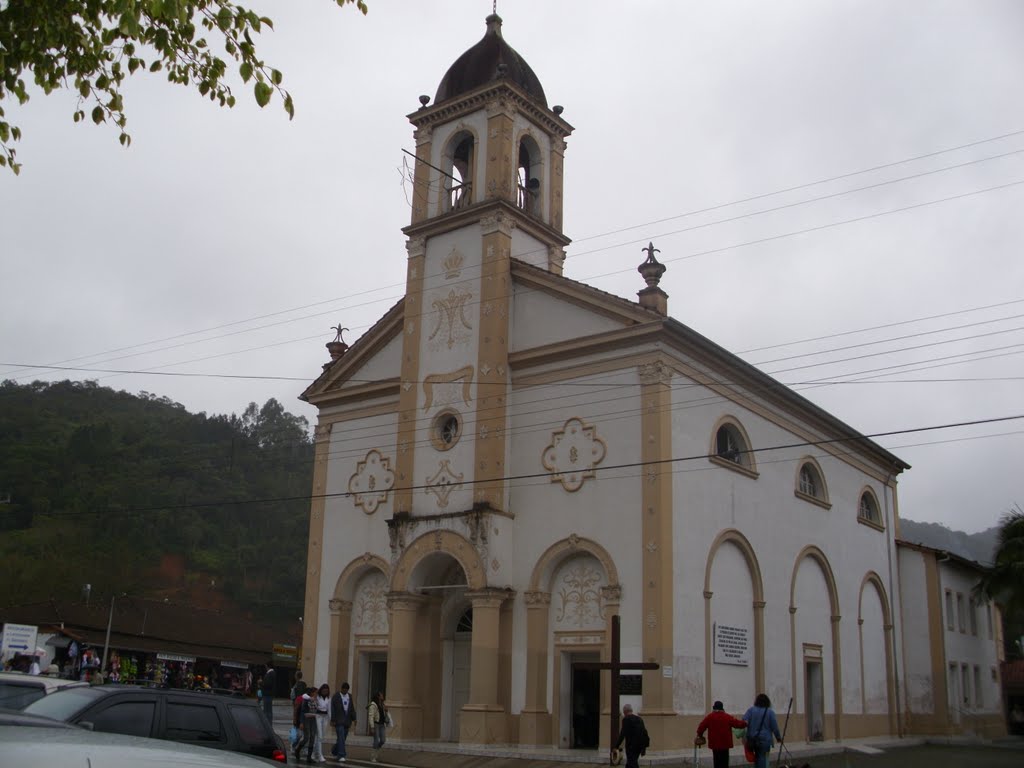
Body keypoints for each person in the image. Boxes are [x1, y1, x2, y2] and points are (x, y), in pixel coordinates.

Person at [696, 700, 747, 768]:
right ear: (722, 708)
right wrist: (746, 723)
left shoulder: (710, 717)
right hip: (725, 744)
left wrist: (700, 735)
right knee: (724, 762)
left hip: (714, 744)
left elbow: (701, 727)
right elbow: (738, 724)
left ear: (714, 708)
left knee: (716, 761)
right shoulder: (727, 717)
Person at [743, 693, 783, 768]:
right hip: (765, 740)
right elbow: (774, 727)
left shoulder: (751, 710)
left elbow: (744, 721)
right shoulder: (770, 712)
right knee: (762, 758)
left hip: (753, 739)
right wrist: (778, 738)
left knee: (757, 758)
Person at [613, 703, 649, 768]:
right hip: (639, 746)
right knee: (631, 762)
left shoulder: (626, 719)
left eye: (623, 712)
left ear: (625, 711)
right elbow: (644, 733)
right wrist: (644, 748)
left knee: (632, 763)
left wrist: (616, 746)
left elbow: (622, 734)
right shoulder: (639, 719)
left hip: (631, 746)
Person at [330, 682, 356, 762]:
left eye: (347, 690)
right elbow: (332, 709)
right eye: (344, 689)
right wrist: (333, 719)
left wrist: (354, 718)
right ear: (341, 689)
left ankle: (334, 750)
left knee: (342, 739)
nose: (345, 691)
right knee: (341, 737)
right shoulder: (336, 696)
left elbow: (352, 708)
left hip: (347, 721)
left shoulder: (350, 696)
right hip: (338, 721)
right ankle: (341, 754)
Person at [311, 683, 331, 764]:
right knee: (319, 735)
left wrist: (331, 719)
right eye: (324, 690)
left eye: (326, 691)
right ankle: (320, 755)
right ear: (321, 690)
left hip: (325, 717)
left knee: (321, 737)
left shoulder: (329, 698)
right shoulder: (317, 697)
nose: (325, 692)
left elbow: (329, 710)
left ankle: (313, 753)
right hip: (318, 717)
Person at [368, 690, 388, 763]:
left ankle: (376, 751)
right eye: (381, 695)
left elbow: (384, 714)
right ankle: (373, 756)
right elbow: (371, 716)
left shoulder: (382, 704)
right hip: (376, 724)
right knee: (376, 741)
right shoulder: (373, 705)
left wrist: (386, 710)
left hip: (382, 724)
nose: (382, 696)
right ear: (378, 696)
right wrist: (372, 727)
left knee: (383, 740)